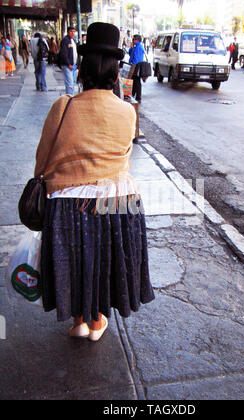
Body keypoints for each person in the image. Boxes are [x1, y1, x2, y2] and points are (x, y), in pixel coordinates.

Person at [33, 22, 155, 342]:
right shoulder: (127, 112)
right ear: (116, 76)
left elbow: (42, 159)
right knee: (104, 262)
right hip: (119, 200)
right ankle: (97, 320)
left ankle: (79, 321)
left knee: (75, 261)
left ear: (82, 71)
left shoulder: (63, 106)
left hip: (68, 200)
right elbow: (123, 155)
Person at [60, 27, 78, 95]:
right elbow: (63, 53)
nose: (73, 33)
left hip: (73, 65)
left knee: (73, 82)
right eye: (71, 32)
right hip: (67, 65)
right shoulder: (65, 40)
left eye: (74, 32)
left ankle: (71, 96)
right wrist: (68, 64)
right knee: (69, 83)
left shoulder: (73, 40)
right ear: (68, 32)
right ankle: (69, 97)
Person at [129, 34, 145, 103]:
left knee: (137, 81)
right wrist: (131, 47)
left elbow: (136, 58)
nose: (133, 40)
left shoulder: (138, 47)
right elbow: (131, 54)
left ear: (137, 40)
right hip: (135, 65)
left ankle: (138, 96)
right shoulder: (135, 46)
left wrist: (133, 66)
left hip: (136, 66)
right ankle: (134, 95)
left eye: (134, 39)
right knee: (135, 81)